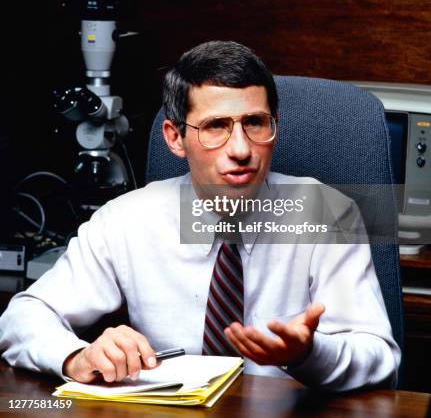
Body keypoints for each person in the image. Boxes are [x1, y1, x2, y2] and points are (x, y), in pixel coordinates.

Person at [0, 41, 400, 390]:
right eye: (216, 127)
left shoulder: (325, 212)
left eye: (256, 123)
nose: (241, 148)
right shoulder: (126, 220)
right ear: (175, 138)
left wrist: (310, 353)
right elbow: (22, 317)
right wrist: (76, 357)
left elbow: (380, 360)